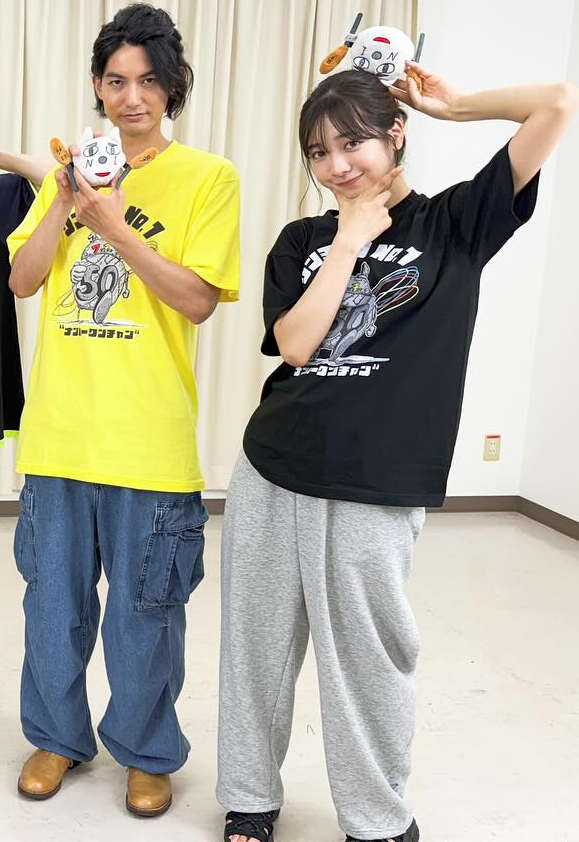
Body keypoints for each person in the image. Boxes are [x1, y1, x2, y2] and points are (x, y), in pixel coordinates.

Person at [216, 62, 578, 842]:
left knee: (370, 658)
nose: (337, 164)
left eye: (353, 142)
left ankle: (375, 817)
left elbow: (555, 103)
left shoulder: (454, 225)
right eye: (319, 151)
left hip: (376, 479)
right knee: (256, 646)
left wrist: (453, 106)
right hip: (275, 463)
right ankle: (248, 796)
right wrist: (346, 241)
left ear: (394, 135)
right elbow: (296, 345)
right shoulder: (302, 239)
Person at [7, 3, 239, 817]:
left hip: (149, 441)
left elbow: (198, 298)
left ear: (172, 88)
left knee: (147, 612)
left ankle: (145, 752)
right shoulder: (68, 173)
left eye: (147, 81)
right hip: (60, 437)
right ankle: (56, 738)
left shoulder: (208, 178)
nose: (131, 97)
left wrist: (115, 225)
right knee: (52, 608)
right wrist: (66, 202)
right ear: (98, 88)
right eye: (115, 80)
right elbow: (23, 280)